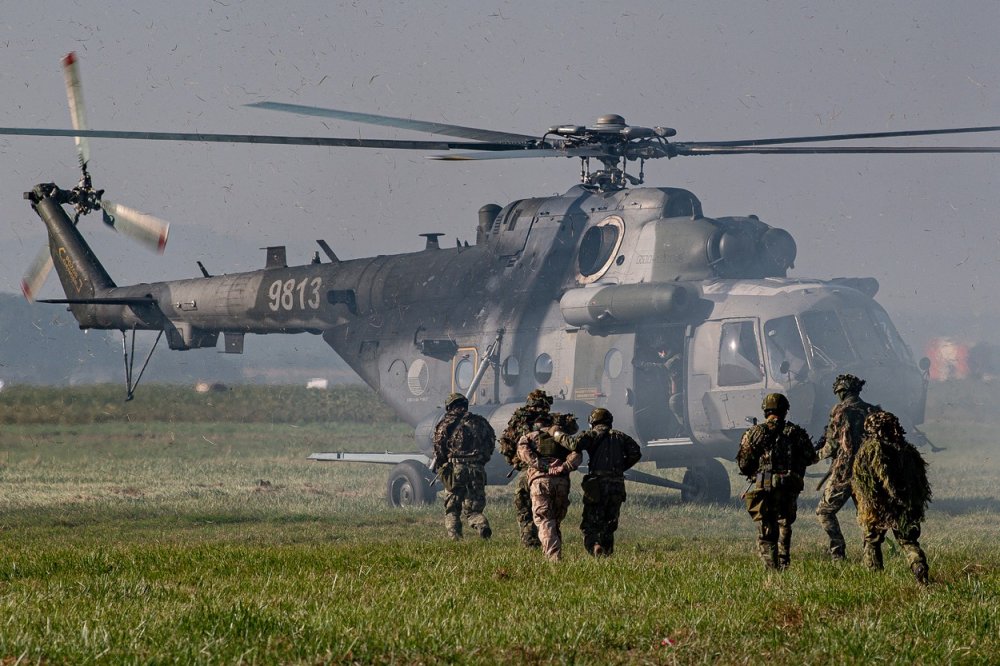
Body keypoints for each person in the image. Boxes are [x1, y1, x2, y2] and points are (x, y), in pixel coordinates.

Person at [737, 393, 818, 569]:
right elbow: (811, 458)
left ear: (766, 410)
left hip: (765, 483)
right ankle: (783, 560)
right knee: (785, 521)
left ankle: (771, 567)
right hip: (789, 484)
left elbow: (744, 464)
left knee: (767, 525)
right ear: (785, 410)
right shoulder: (795, 432)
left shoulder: (755, 432)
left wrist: (755, 472)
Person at [853, 410, 932, 585]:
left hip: (878, 506)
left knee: (872, 541)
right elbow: (919, 481)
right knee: (908, 541)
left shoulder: (869, 450)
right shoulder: (908, 451)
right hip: (904, 505)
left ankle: (874, 579)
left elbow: (864, 481)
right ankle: (918, 566)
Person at [553, 407, 641, 557]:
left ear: (592, 422)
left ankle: (595, 546)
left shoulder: (592, 434)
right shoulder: (621, 437)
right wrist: (619, 468)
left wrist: (556, 434)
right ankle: (607, 553)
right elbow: (636, 453)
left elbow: (574, 444)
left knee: (591, 523)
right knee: (609, 523)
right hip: (617, 484)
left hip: (597, 485)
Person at [498, 390, 577, 548]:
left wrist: (517, 462)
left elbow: (506, 444)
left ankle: (531, 542)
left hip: (529, 471)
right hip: (555, 471)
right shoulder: (555, 420)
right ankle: (550, 541)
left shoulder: (519, 419)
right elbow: (572, 432)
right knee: (552, 510)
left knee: (525, 506)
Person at [815, 373, 879, 560]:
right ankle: (871, 560)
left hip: (844, 471)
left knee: (824, 511)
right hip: (868, 471)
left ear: (841, 391)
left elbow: (832, 445)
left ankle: (838, 553)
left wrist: (815, 456)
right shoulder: (872, 410)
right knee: (867, 516)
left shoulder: (840, 411)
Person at [517, 412, 582, 561]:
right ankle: (556, 554)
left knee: (545, 520)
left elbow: (524, 453)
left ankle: (553, 559)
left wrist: (544, 466)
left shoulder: (529, 438)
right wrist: (564, 467)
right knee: (555, 521)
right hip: (561, 483)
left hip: (540, 482)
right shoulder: (562, 438)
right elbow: (577, 454)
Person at [432, 392, 496, 541]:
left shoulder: (445, 424)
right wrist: (480, 460)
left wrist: (443, 465)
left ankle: (456, 539)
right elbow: (491, 442)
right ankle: (481, 525)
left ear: (450, 407)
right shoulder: (480, 422)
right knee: (474, 509)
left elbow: (439, 447)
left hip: (456, 469)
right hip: (477, 469)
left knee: (452, 509)